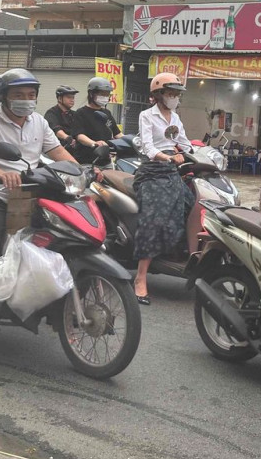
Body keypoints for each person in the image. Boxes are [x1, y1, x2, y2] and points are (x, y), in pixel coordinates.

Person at [0, 69, 78, 270]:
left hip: (29, 192)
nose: (26, 100)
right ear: (3, 97)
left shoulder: (39, 121)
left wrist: (80, 171)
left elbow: (57, 151)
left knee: (52, 238)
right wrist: (0, 174)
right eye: (18, 95)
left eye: (31, 95)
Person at [133, 73, 194, 304]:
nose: (174, 97)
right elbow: (148, 147)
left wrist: (198, 151)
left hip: (171, 172)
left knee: (192, 205)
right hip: (152, 171)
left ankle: (174, 253)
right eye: (171, 93)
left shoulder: (175, 118)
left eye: (177, 94)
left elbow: (185, 142)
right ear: (158, 94)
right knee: (154, 218)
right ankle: (140, 277)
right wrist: (168, 157)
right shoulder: (147, 116)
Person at [71, 77, 121, 163]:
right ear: (91, 94)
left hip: (106, 161)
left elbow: (117, 134)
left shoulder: (107, 113)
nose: (105, 97)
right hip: (87, 162)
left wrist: (132, 141)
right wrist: (94, 143)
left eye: (107, 94)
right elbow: (80, 136)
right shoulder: (81, 113)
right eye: (102, 94)